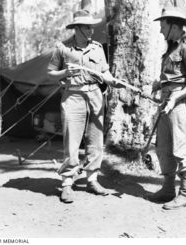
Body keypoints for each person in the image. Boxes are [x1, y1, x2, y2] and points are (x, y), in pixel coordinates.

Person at [47, 9, 118, 203]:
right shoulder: (63, 48)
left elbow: (105, 72)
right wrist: (64, 73)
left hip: (95, 94)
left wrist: (112, 81)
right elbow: (50, 73)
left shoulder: (97, 48)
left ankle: (92, 180)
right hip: (73, 95)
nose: (92, 30)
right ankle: (67, 183)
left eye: (92, 26)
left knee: (95, 139)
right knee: (72, 140)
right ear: (77, 28)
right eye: (88, 27)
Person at [149, 7, 186, 209]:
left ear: (173, 25)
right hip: (167, 100)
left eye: (163, 25)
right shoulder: (170, 48)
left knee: (181, 147)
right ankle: (168, 188)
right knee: (163, 146)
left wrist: (175, 97)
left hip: (180, 102)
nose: (161, 30)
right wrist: (160, 85)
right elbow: (173, 76)